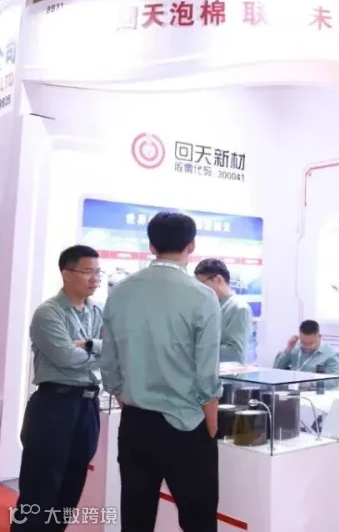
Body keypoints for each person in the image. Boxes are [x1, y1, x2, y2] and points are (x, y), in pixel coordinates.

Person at [100, 212, 222, 532]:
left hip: (136, 424)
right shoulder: (202, 295)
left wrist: (132, 400)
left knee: (136, 520)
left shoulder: (120, 291)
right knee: (198, 521)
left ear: (152, 246)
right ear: (191, 245)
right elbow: (206, 373)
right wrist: (211, 426)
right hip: (187, 425)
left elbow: (109, 364)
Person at [12, 246, 104, 531]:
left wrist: (88, 345)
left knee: (71, 487)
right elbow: (65, 358)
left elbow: (117, 350)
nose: (95, 279)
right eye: (87, 272)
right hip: (54, 405)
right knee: (40, 488)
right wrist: (99, 352)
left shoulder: (97, 311)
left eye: (98, 272)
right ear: (67, 273)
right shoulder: (49, 313)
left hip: (88, 405)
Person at [194, 258, 252, 364]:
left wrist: (197, 349)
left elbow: (235, 354)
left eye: (202, 284)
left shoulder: (239, 308)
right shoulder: (209, 306)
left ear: (218, 279)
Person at [273, 319, 339, 389]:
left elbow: (334, 381)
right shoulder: (295, 348)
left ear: (319, 337)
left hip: (315, 393)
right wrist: (288, 350)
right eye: (303, 342)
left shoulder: (331, 354)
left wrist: (311, 384)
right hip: (292, 391)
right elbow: (276, 369)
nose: (307, 346)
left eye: (311, 343)